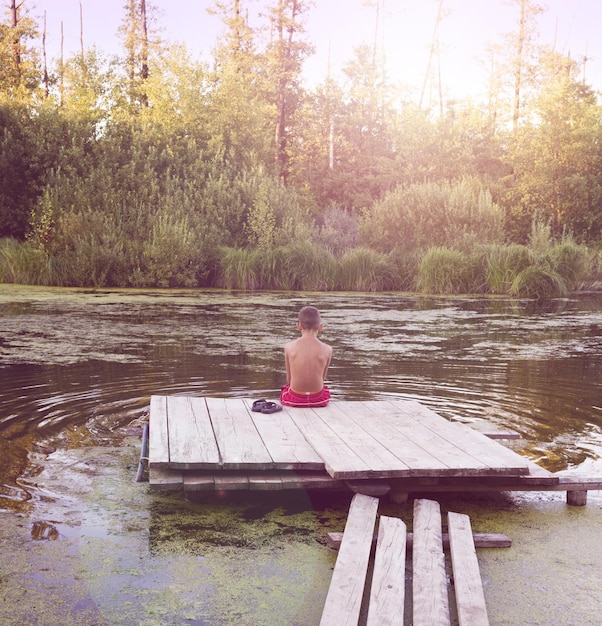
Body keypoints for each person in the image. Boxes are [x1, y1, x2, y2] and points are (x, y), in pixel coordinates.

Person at [280, 306, 332, 407]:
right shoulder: (327, 349)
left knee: (285, 389)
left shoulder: (289, 347)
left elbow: (289, 379)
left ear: (298, 326)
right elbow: (322, 377)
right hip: (318, 400)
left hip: (294, 399)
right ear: (320, 327)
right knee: (324, 389)